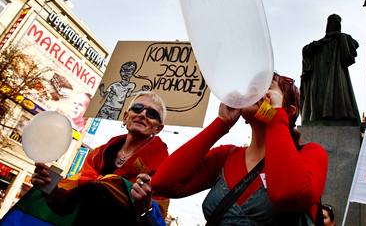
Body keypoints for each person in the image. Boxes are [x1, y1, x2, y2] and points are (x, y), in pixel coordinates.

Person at [151, 73, 328, 225]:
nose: (255, 92)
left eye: (267, 87)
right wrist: (221, 124)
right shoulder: (226, 155)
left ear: (289, 111)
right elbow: (163, 183)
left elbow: (288, 193)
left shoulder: (311, 153)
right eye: (252, 89)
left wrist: (276, 115)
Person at [4, 91, 169, 226]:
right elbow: (67, 205)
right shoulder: (96, 155)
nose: (143, 114)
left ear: (158, 128)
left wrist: (146, 208)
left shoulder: (163, 169)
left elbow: (158, 221)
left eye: (152, 113)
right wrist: (50, 188)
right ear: (126, 116)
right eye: (138, 108)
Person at [300, 14, 360, 126]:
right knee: (318, 97)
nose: (332, 24)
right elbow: (306, 51)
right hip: (319, 74)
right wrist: (316, 45)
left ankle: (340, 117)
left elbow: (354, 45)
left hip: (336, 73)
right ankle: (318, 117)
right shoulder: (319, 43)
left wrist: (341, 37)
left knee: (338, 95)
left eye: (335, 22)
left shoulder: (343, 38)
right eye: (330, 22)